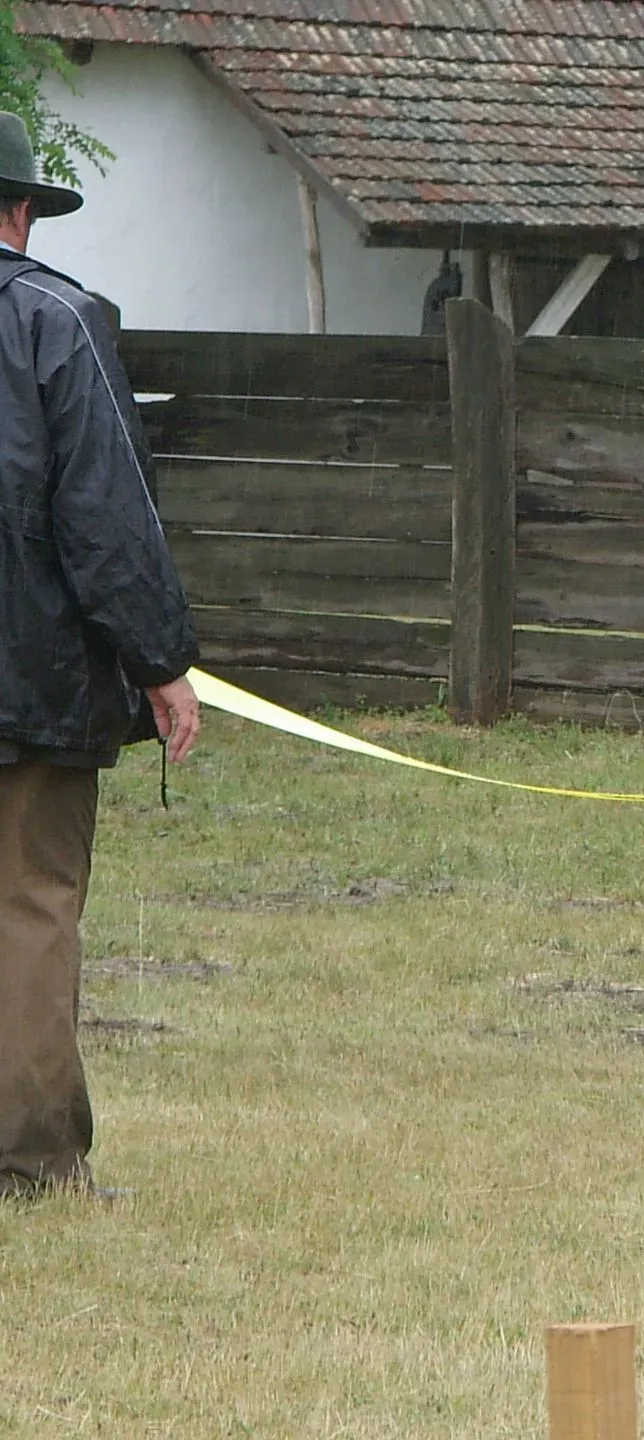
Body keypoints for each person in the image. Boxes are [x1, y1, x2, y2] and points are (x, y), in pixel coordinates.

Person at [0, 111, 201, 1199]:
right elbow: (108, 518)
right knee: (30, 903)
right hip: (32, 679)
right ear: (22, 210)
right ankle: (32, 1161)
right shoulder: (56, 323)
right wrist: (163, 663)